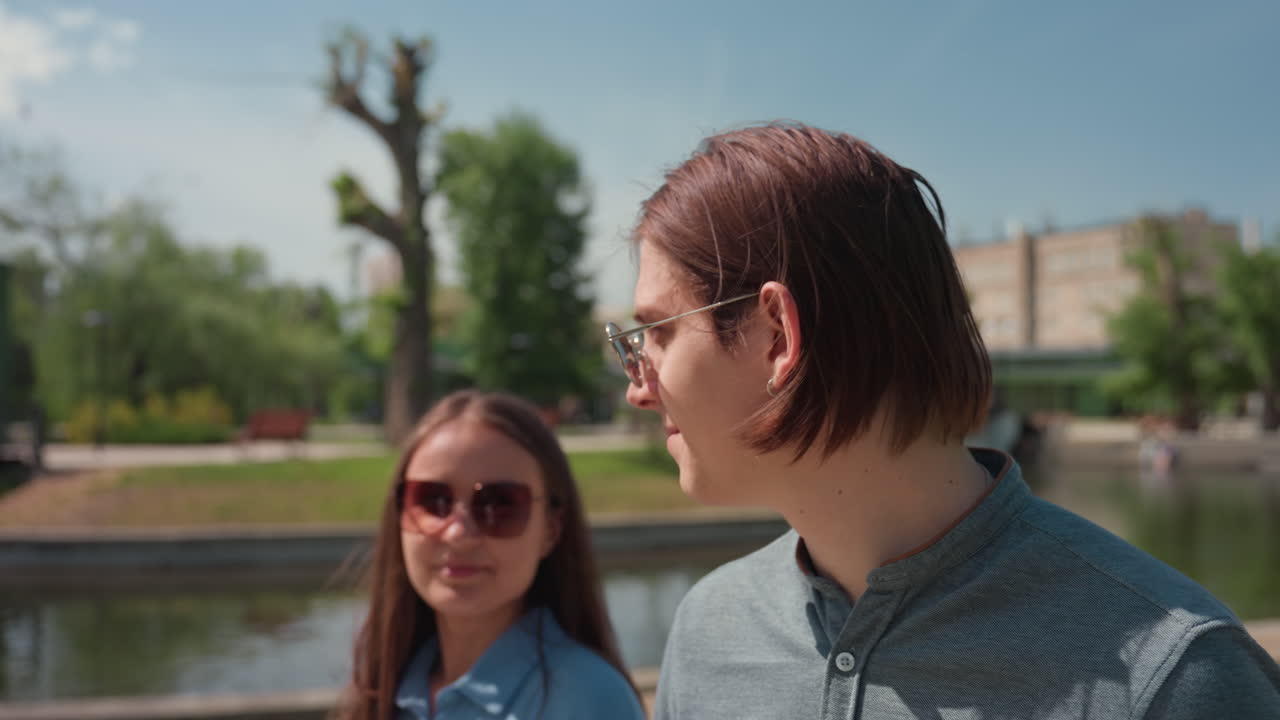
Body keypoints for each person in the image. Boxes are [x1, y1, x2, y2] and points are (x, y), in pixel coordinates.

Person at [606, 122, 1280, 719]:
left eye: (656, 334)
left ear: (776, 335)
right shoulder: (708, 632)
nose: (637, 389)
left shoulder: (1180, 682)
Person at [335, 390, 645, 720]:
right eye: (432, 500)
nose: (458, 534)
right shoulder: (385, 688)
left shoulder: (587, 699)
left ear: (551, 530)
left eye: (500, 505)